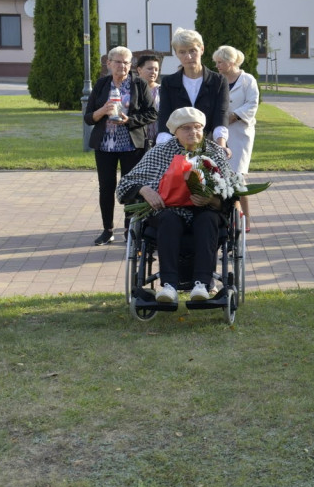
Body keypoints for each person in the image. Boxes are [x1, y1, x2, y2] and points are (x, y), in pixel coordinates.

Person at [116, 107, 240, 303]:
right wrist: (144, 190)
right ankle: (169, 286)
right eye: (186, 128)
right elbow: (125, 184)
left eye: (198, 127)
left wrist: (212, 200)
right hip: (169, 211)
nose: (193, 132)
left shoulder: (215, 151)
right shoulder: (160, 152)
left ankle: (202, 284)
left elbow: (233, 191)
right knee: (168, 219)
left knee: (207, 219)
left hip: (206, 211)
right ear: (175, 131)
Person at [84, 46, 158, 246]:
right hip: (105, 146)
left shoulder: (139, 84)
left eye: (127, 62)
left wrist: (129, 120)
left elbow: (152, 113)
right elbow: (89, 117)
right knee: (106, 188)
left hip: (132, 146)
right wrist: (102, 111)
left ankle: (129, 229)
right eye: (118, 61)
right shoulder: (101, 85)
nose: (123, 66)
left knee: (132, 188)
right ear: (109, 64)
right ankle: (107, 230)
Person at [156, 28, 229, 153]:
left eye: (192, 50)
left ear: (202, 49)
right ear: (176, 54)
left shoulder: (218, 81)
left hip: (210, 143)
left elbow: (221, 115)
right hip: (177, 146)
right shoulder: (168, 82)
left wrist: (221, 145)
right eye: (182, 52)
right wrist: (162, 149)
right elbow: (165, 116)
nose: (188, 57)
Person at [213, 45, 259, 228]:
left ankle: (245, 219)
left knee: (238, 177)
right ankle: (229, 217)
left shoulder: (247, 80)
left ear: (231, 62)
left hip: (240, 132)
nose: (217, 66)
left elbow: (252, 104)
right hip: (219, 133)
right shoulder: (217, 80)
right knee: (221, 175)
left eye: (220, 62)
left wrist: (235, 115)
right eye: (216, 62)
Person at [135, 54, 161, 148]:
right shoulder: (133, 90)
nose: (153, 72)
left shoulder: (161, 90)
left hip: (159, 142)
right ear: (139, 70)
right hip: (138, 142)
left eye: (156, 69)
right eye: (150, 69)